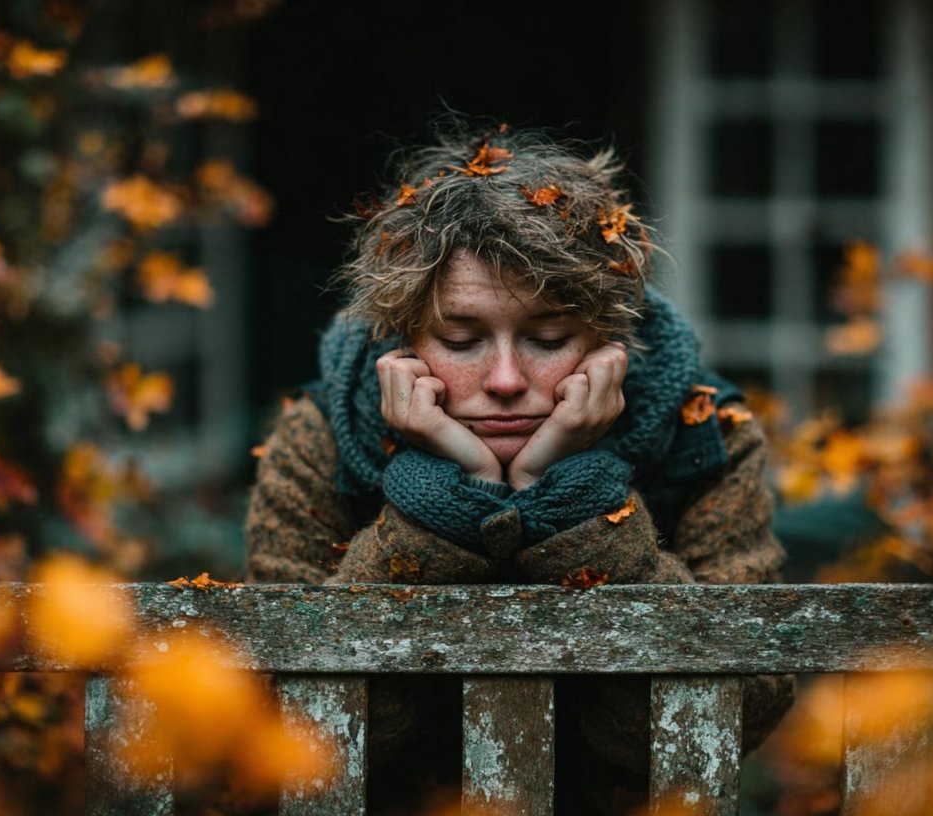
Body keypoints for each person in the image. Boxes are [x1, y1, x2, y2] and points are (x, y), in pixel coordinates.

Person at [244, 119, 789, 812]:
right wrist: (446, 498)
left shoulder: (704, 436)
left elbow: (732, 720)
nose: (506, 380)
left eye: (549, 338)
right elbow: (287, 733)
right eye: (461, 340)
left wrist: (571, 495)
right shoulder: (321, 436)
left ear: (608, 338)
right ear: (403, 338)